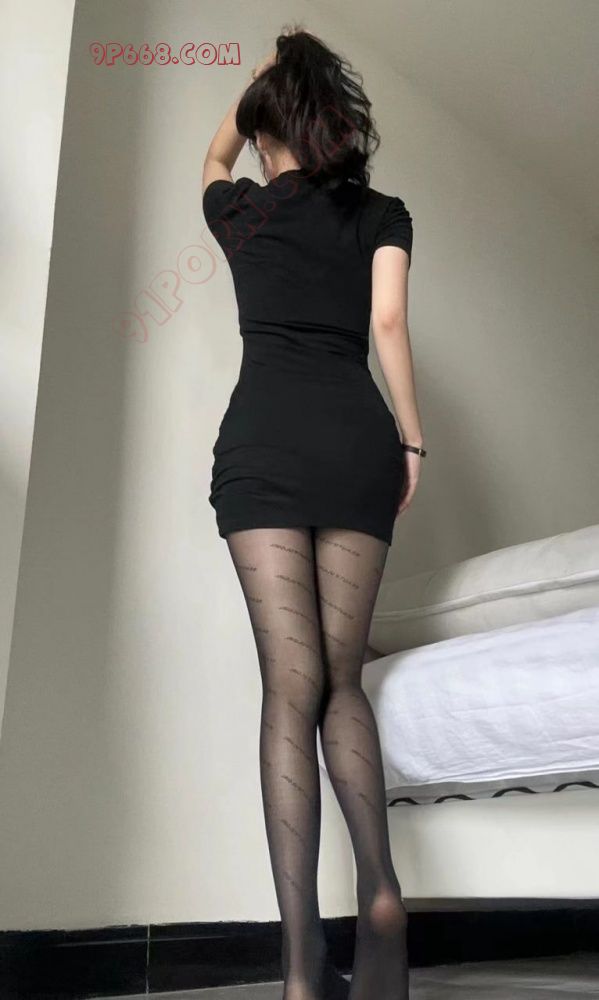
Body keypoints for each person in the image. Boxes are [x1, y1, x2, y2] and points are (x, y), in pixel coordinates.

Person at [202, 25, 426, 1000]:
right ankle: (381, 888)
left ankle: (301, 971)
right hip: (354, 443)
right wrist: (410, 441)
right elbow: (387, 323)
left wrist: (259, 81)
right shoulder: (381, 211)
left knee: (286, 691)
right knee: (342, 682)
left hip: (264, 448)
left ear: (266, 128)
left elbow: (212, 156)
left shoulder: (240, 209)